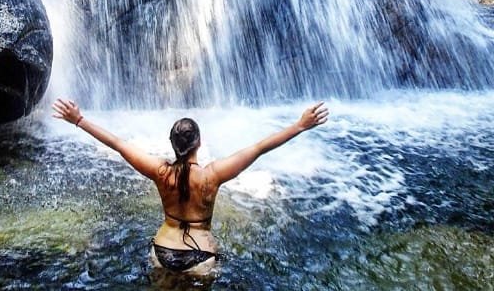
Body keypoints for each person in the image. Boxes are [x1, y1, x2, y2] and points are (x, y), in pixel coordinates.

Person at [52, 98, 329, 276]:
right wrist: (299, 125)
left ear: (173, 145)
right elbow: (259, 148)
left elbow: (118, 144)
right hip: (201, 259)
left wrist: (78, 120)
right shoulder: (212, 175)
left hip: (161, 252)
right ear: (199, 142)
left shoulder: (160, 172)